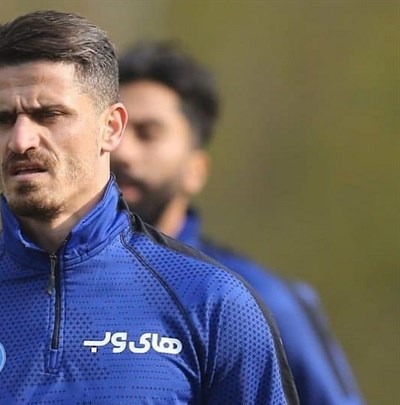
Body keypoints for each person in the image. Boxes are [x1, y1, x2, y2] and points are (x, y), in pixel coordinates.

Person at [0, 11, 298, 404]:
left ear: (111, 127)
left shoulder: (211, 302)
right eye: (2, 120)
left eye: (49, 115)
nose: (21, 140)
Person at [111, 41, 363, 405]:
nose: (122, 152)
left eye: (148, 133)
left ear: (196, 169)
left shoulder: (258, 301)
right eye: (112, 131)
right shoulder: (49, 284)